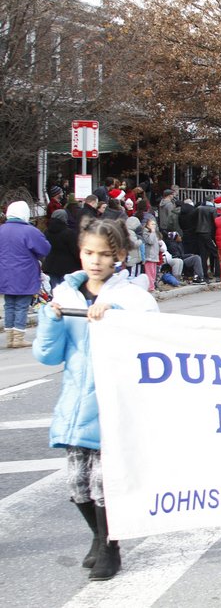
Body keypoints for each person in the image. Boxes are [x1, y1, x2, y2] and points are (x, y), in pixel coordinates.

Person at [32, 217, 159, 581]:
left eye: (104, 254)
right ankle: (98, 535)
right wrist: (51, 320)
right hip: (76, 403)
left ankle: (110, 548)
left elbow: (151, 344)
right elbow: (48, 356)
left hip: (115, 405)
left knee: (104, 485)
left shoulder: (133, 297)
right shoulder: (65, 294)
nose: (95, 261)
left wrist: (116, 318)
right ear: (80, 252)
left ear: (118, 256)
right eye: (89, 252)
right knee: (77, 485)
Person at [0, 201, 51, 347]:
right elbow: (44, 249)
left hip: (4, 273)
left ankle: (9, 337)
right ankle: (18, 337)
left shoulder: (1, 230)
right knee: (22, 305)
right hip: (24, 273)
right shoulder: (29, 231)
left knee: (9, 304)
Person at [43, 209, 81, 291]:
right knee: (66, 292)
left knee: (55, 292)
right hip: (67, 267)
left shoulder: (46, 232)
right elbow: (75, 251)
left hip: (50, 266)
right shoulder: (69, 233)